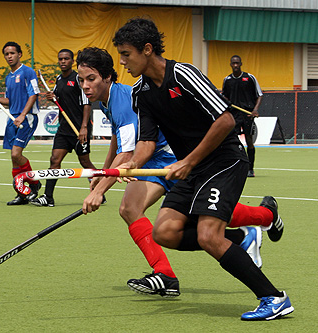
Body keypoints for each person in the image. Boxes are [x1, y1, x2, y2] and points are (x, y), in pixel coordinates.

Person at [112, 18, 292, 321]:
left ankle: (274, 298)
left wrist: (188, 161)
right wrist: (134, 163)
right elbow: (146, 139)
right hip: (193, 168)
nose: (122, 61)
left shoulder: (183, 74)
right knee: (165, 232)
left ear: (147, 49)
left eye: (126, 54)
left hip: (224, 160)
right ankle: (240, 238)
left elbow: (226, 120)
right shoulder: (140, 92)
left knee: (209, 235)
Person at [77, 47, 282, 298]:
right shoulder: (113, 99)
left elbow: (129, 152)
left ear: (107, 77)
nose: (85, 86)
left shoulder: (124, 99)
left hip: (169, 157)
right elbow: (117, 141)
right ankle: (263, 219)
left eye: (91, 79)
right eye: (81, 80)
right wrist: (102, 173)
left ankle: (170, 272)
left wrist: (99, 191)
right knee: (187, 215)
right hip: (155, 157)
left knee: (189, 213)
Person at [30, 49, 102, 207]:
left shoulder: (78, 79)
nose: (63, 61)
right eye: (60, 59)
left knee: (85, 162)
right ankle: (48, 197)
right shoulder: (58, 79)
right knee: (54, 160)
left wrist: (84, 127)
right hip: (63, 128)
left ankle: (99, 191)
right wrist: (52, 98)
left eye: (66, 59)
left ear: (72, 61)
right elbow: (58, 98)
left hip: (79, 129)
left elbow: (86, 103)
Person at [0, 41, 42, 205]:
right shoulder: (9, 77)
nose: (9, 56)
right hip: (12, 118)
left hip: (26, 118)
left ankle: (34, 183)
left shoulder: (28, 72)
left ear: (19, 54)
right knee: (14, 158)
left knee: (16, 154)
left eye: (12, 53)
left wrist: (23, 115)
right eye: (6, 54)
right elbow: (9, 100)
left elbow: (34, 95)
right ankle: (21, 193)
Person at [222, 55, 263, 177]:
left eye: (237, 63)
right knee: (233, 141)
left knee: (249, 141)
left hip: (247, 114)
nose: (235, 65)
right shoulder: (227, 80)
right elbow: (224, 97)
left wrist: (255, 109)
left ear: (241, 64)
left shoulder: (249, 78)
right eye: (233, 63)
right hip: (234, 115)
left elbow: (259, 95)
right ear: (230, 64)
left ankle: (251, 169)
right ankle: (236, 167)